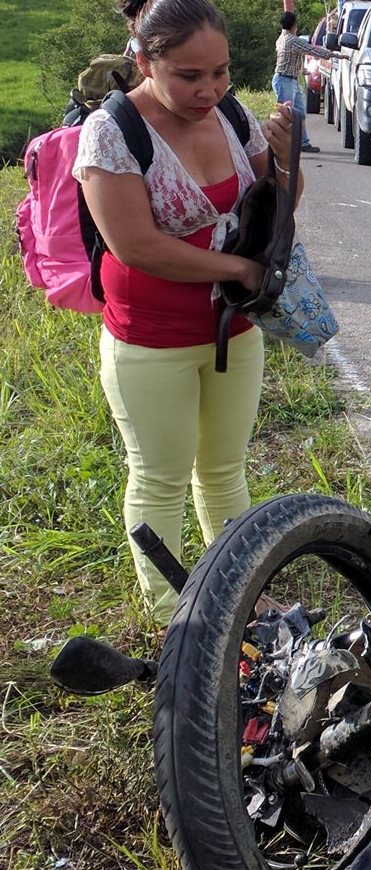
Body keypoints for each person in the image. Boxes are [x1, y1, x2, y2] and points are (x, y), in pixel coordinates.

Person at [73, 0, 297, 628]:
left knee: (225, 468)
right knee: (159, 475)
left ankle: (239, 599)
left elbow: (275, 211)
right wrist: (239, 272)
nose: (210, 90)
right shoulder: (112, 133)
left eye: (221, 72)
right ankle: (178, 617)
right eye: (190, 77)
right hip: (149, 335)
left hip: (231, 327)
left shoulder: (231, 114)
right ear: (144, 61)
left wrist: (284, 160)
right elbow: (136, 246)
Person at [273, 9, 339, 153]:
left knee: (299, 114)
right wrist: (335, 55)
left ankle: (302, 143)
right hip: (285, 81)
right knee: (286, 115)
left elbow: (286, 59)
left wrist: (301, 71)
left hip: (290, 80)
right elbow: (312, 50)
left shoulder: (282, 38)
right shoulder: (292, 40)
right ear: (294, 25)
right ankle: (280, 145)